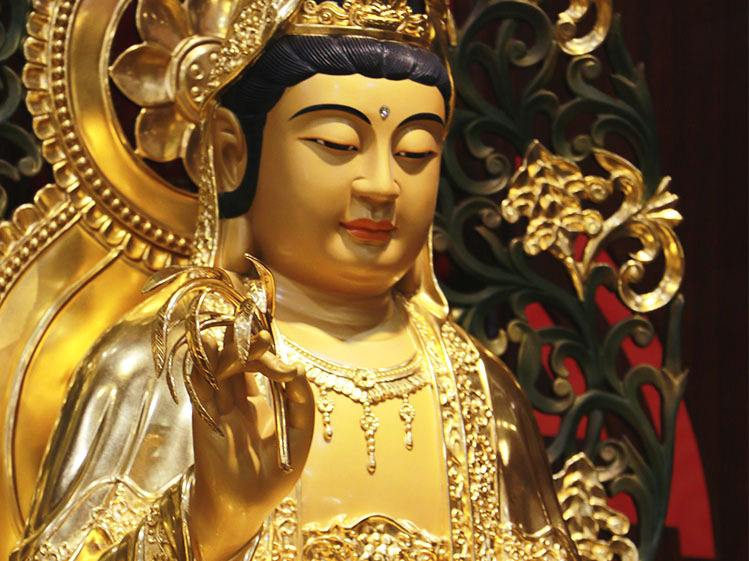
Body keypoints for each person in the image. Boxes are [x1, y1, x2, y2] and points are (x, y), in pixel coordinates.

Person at [11, 1, 584, 560]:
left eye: (416, 152)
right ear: (233, 155)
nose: (382, 185)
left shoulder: (481, 389)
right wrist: (210, 524)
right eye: (337, 144)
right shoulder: (172, 366)